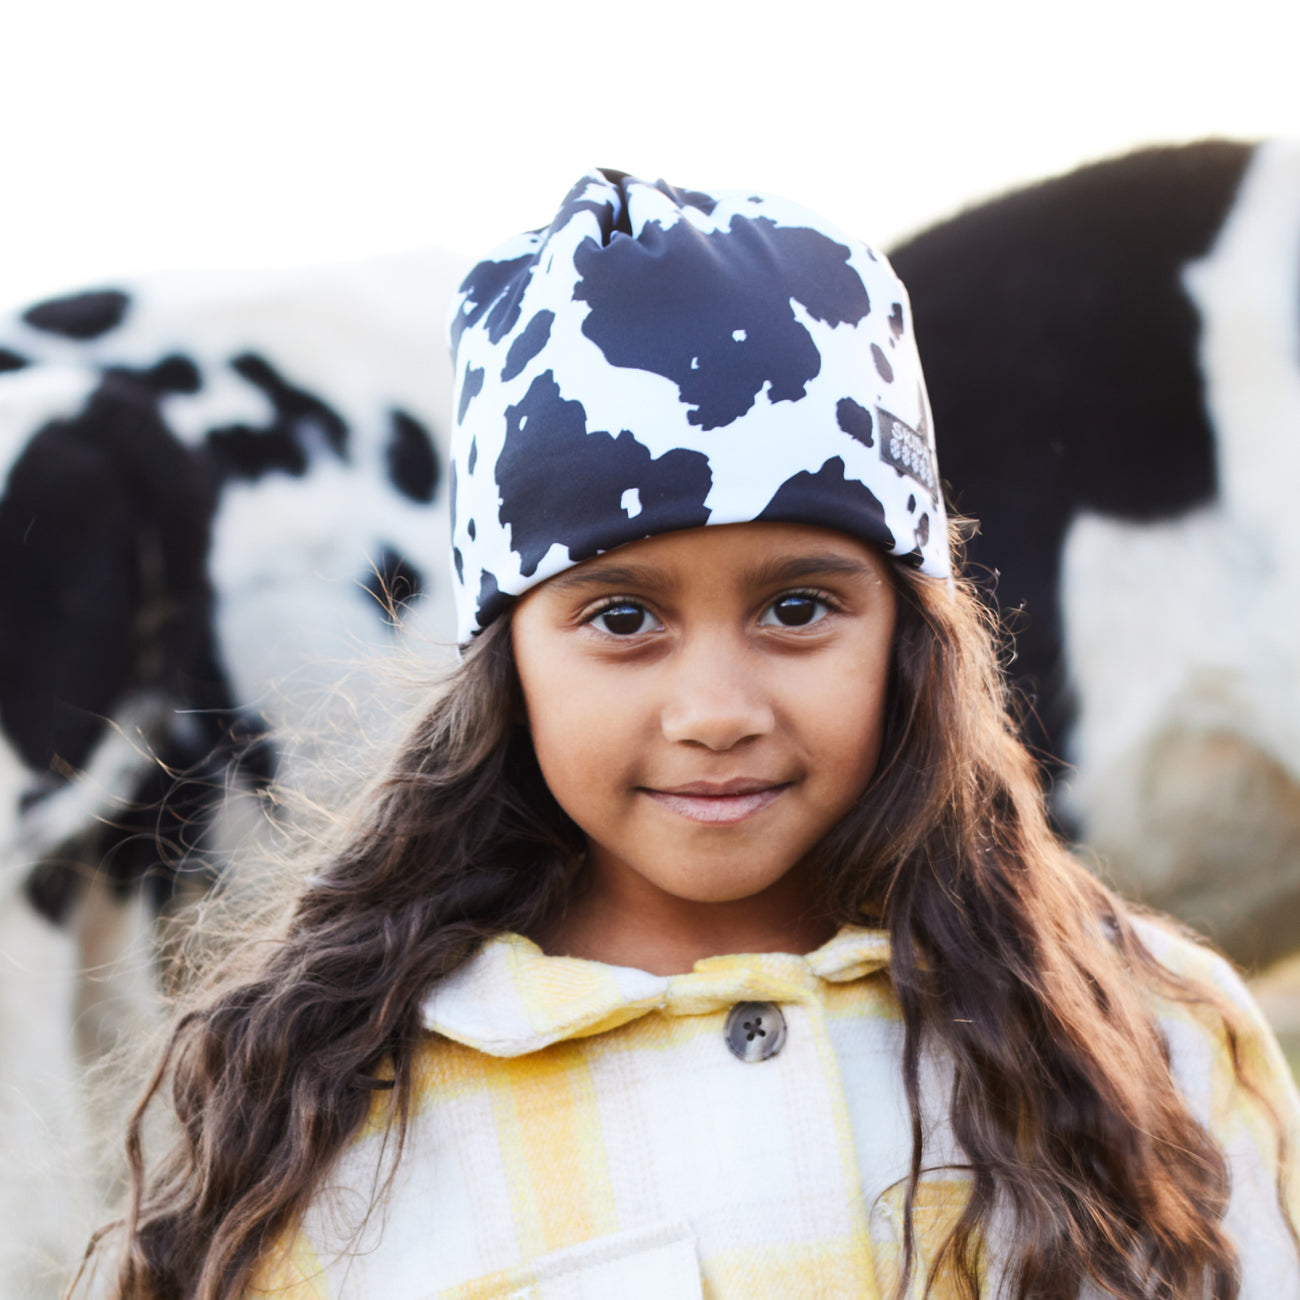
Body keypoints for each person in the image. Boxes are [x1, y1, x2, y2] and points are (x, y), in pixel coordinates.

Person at [82, 170, 1300, 1300]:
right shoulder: (336, 1129)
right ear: (508, 657)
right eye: (622, 618)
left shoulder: (1148, 1038)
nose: (716, 710)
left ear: (908, 630)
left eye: (797, 607)